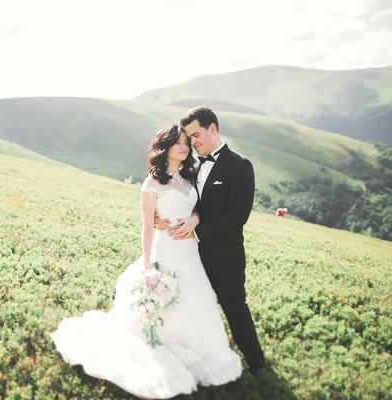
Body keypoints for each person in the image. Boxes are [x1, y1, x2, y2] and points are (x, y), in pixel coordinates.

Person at [51, 125, 242, 399]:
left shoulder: (190, 177)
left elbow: (199, 209)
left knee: (196, 300)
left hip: (189, 250)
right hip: (165, 249)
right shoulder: (152, 184)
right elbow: (146, 228)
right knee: (166, 303)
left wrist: (195, 220)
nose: (184, 146)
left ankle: (202, 349)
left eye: (186, 142)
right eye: (178, 142)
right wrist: (148, 266)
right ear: (164, 147)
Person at [157, 106, 266, 375]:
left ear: (213, 129)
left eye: (196, 135)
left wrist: (197, 229)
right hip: (188, 254)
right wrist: (162, 215)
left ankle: (257, 363)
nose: (192, 143)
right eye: (189, 138)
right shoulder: (191, 165)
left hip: (224, 255)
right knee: (191, 307)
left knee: (234, 308)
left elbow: (237, 215)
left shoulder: (240, 165)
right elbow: (181, 197)